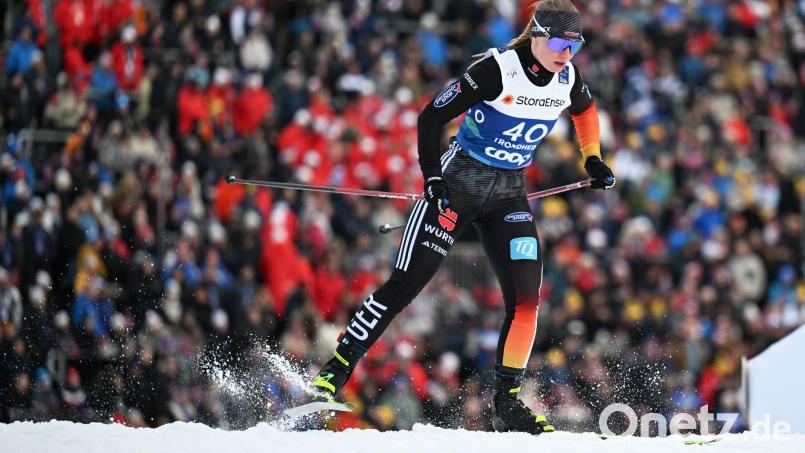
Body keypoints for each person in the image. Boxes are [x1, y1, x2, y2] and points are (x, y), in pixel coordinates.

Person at [310, 0, 615, 434]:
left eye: (575, 46)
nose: (567, 54)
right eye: (560, 45)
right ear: (538, 36)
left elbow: (585, 111)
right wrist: (432, 176)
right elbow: (431, 116)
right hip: (458, 186)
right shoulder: (498, 70)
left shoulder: (568, 77)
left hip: (508, 196)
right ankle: (335, 370)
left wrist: (593, 158)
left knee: (527, 300)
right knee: (404, 285)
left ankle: (507, 403)